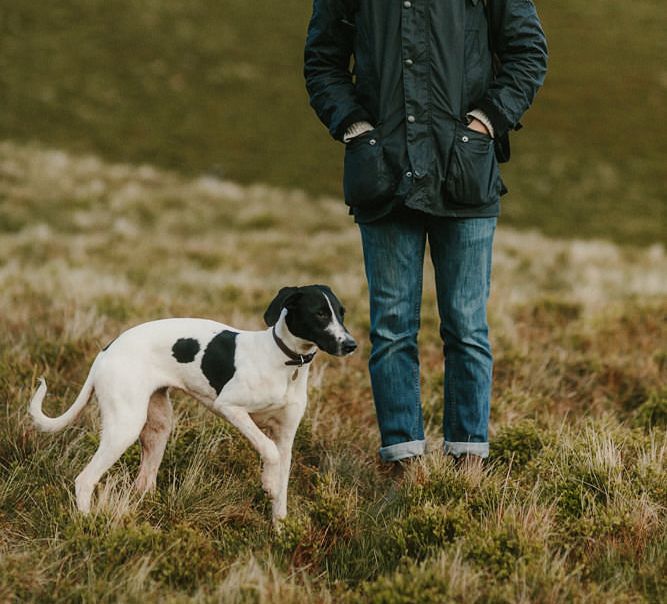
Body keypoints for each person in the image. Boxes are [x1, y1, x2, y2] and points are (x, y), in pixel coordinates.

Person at [304, 0, 547, 465]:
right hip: (384, 174)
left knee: (467, 326)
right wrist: (355, 128)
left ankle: (468, 458)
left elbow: (528, 51)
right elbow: (322, 60)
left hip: (466, 174)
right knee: (392, 327)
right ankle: (403, 462)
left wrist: (486, 123)